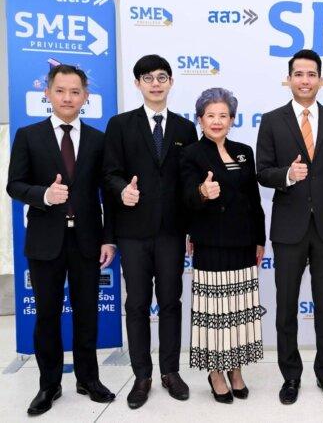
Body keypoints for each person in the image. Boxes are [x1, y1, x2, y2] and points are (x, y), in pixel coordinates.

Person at [6, 64, 116, 415]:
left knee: (87, 313)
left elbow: (108, 193)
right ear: (48, 93)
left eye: (75, 92)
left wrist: (109, 239)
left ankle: (88, 379)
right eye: (60, 91)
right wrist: (43, 195)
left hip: (87, 240)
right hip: (45, 240)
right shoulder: (29, 135)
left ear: (85, 97)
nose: (67, 98)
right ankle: (48, 385)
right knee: (47, 316)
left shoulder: (98, 139)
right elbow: (14, 185)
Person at [256, 49, 323, 405]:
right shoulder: (272, 120)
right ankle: (291, 376)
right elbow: (262, 171)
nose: (305, 80)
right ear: (289, 79)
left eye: (311, 74)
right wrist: (287, 174)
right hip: (289, 229)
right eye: (298, 74)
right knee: (286, 309)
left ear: (320, 80)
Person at [103, 54, 198, 409]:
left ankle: (170, 372)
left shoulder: (185, 129)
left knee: (171, 302)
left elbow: (189, 183)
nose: (155, 83)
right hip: (133, 231)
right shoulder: (120, 125)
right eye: (148, 78)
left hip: (172, 232)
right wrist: (121, 191)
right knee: (137, 304)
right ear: (137, 84)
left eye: (161, 77)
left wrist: (192, 230)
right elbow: (109, 174)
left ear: (171, 82)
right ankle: (142, 375)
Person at [181, 88, 266, 403]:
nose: (217, 121)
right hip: (210, 242)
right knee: (215, 313)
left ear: (232, 120)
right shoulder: (191, 153)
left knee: (239, 311)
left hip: (243, 242)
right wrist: (202, 193)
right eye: (210, 115)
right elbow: (185, 198)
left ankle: (236, 369)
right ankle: (216, 372)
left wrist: (260, 238)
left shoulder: (244, 151)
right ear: (200, 119)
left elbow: (254, 200)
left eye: (223, 115)